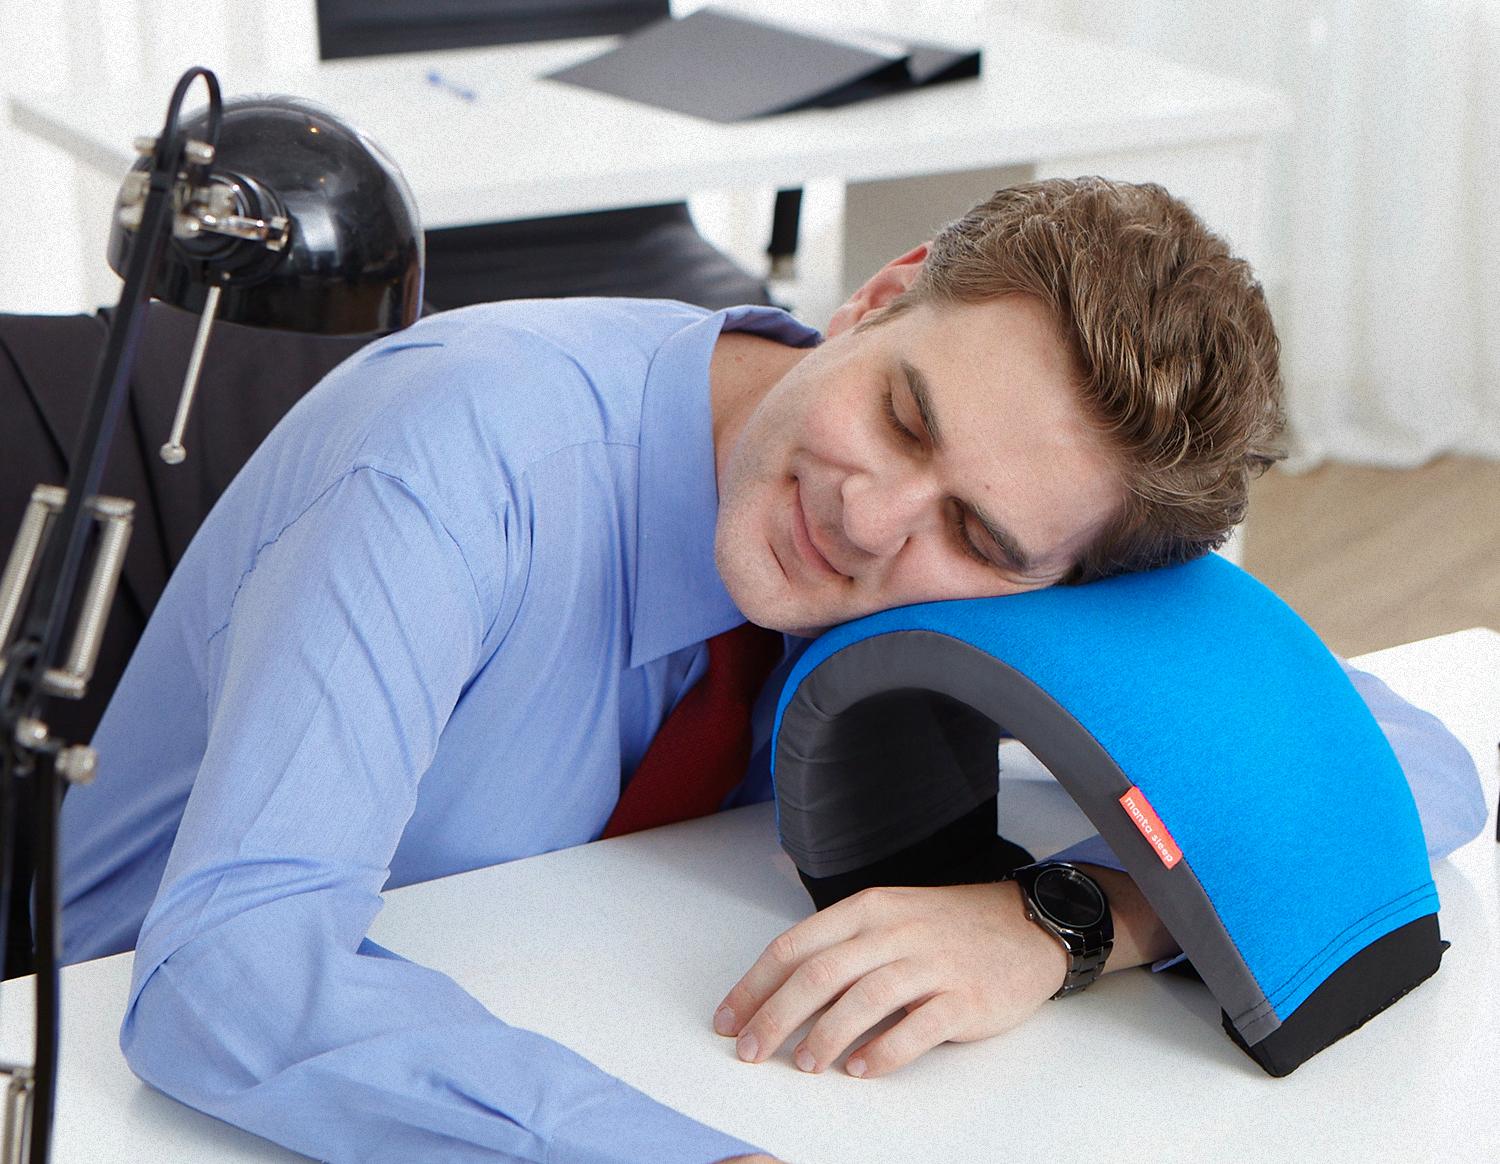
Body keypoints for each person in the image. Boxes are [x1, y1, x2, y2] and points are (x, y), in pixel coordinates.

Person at [58, 178, 1484, 1163]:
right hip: (127, 1087)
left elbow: (1412, 765)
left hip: (596, 991)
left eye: (976, 533)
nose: (869, 517)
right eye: (904, 417)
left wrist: (1071, 918)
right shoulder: (455, 456)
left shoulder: (1053, 534)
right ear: (878, 299)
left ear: (1064, 579)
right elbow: (229, 971)